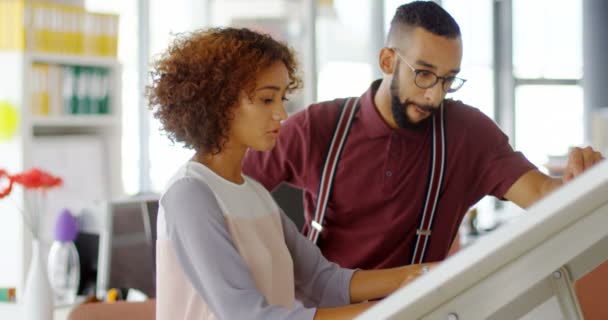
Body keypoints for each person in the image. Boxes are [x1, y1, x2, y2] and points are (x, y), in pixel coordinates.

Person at [243, 1, 604, 270]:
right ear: (387, 61)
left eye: (448, 79)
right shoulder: (317, 128)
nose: (435, 94)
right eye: (424, 74)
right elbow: (224, 187)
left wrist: (582, 181)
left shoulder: (468, 134)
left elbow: (541, 193)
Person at [147, 27, 433, 320]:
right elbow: (248, 316)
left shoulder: (256, 194)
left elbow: (324, 281)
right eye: (267, 99)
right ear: (220, 103)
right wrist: (392, 310)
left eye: (283, 98)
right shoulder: (190, 195)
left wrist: (425, 274)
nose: (282, 114)